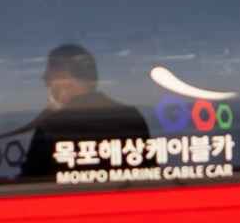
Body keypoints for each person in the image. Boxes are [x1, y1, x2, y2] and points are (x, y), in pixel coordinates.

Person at [27, 42, 153, 181]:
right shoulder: (131, 116)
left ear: (64, 77)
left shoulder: (51, 126)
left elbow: (30, 182)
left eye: (49, 75)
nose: (45, 80)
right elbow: (150, 175)